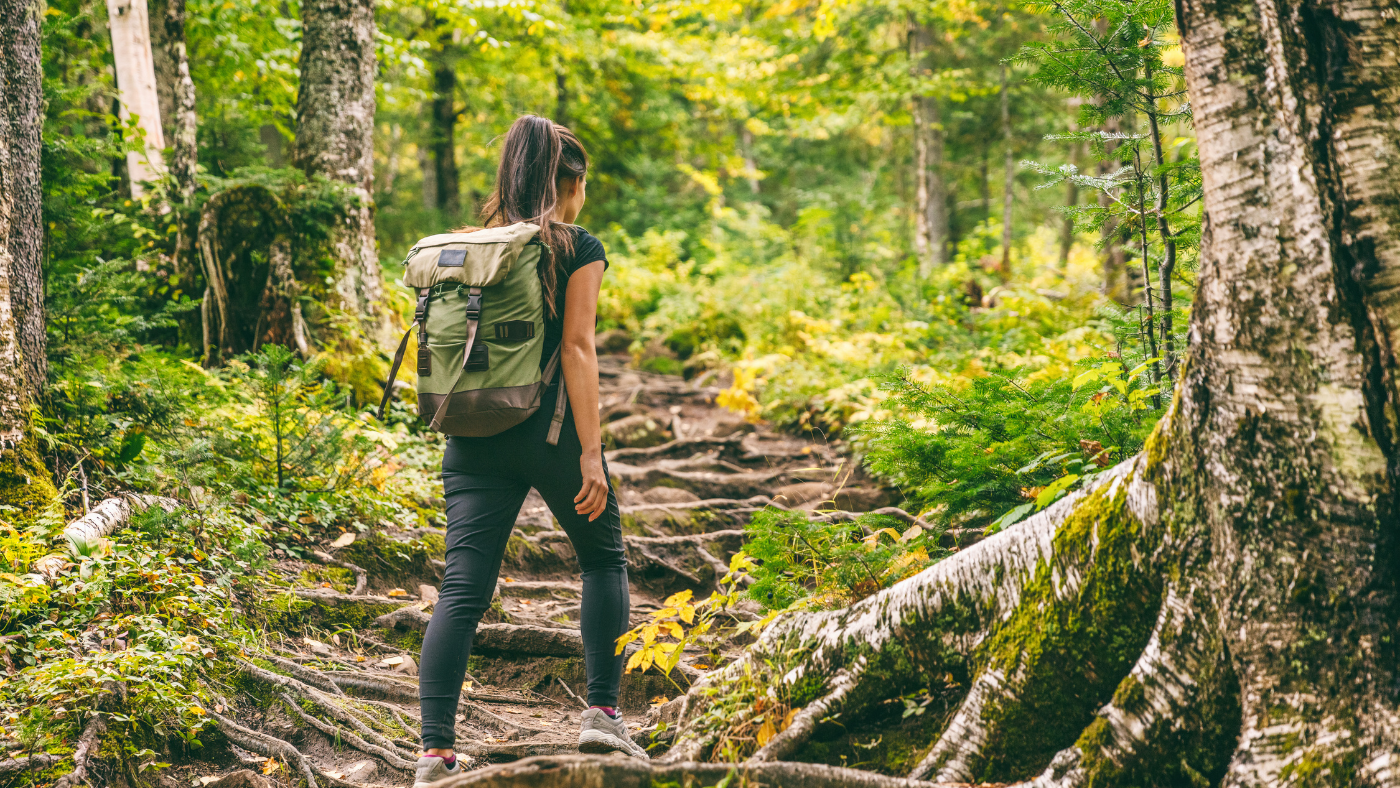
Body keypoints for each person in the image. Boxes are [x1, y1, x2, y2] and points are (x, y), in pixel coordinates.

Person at [412, 115, 646, 788]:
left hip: (472, 436)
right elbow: (577, 348)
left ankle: (434, 753)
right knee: (603, 558)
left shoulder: (468, 246)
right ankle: (602, 713)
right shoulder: (576, 245)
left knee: (461, 589)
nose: (583, 199)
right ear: (566, 182)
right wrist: (591, 453)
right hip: (549, 435)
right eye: (582, 185)